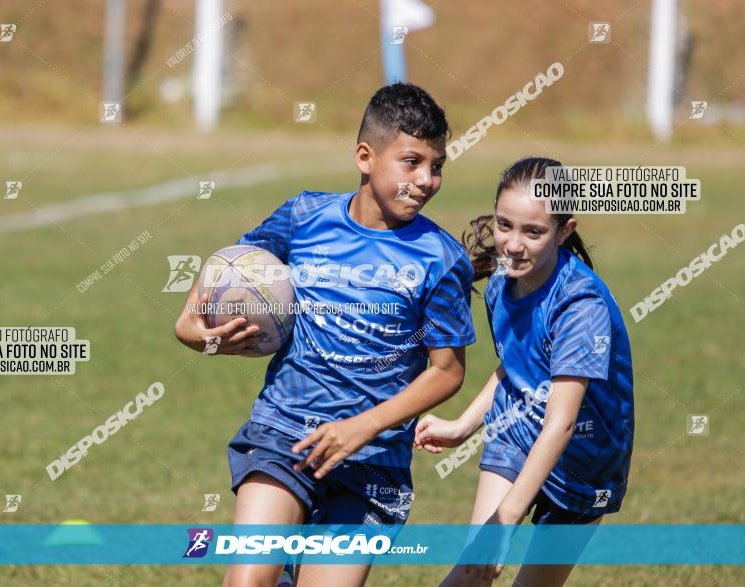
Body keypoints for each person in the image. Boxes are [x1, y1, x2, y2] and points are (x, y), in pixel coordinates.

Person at [175, 82, 477, 587]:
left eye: (437, 165)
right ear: (365, 156)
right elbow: (222, 273)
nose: (426, 180)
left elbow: (446, 372)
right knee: (247, 579)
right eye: (411, 162)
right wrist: (197, 333)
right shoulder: (304, 218)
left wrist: (362, 427)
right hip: (284, 432)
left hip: (371, 459)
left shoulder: (441, 260)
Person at [415, 157, 635, 587]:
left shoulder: (579, 306)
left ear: (565, 230)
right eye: (504, 225)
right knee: (471, 573)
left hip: (585, 459)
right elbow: (516, 367)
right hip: (516, 430)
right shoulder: (501, 283)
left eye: (533, 232)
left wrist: (507, 519)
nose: (513, 245)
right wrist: (462, 426)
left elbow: (562, 421)